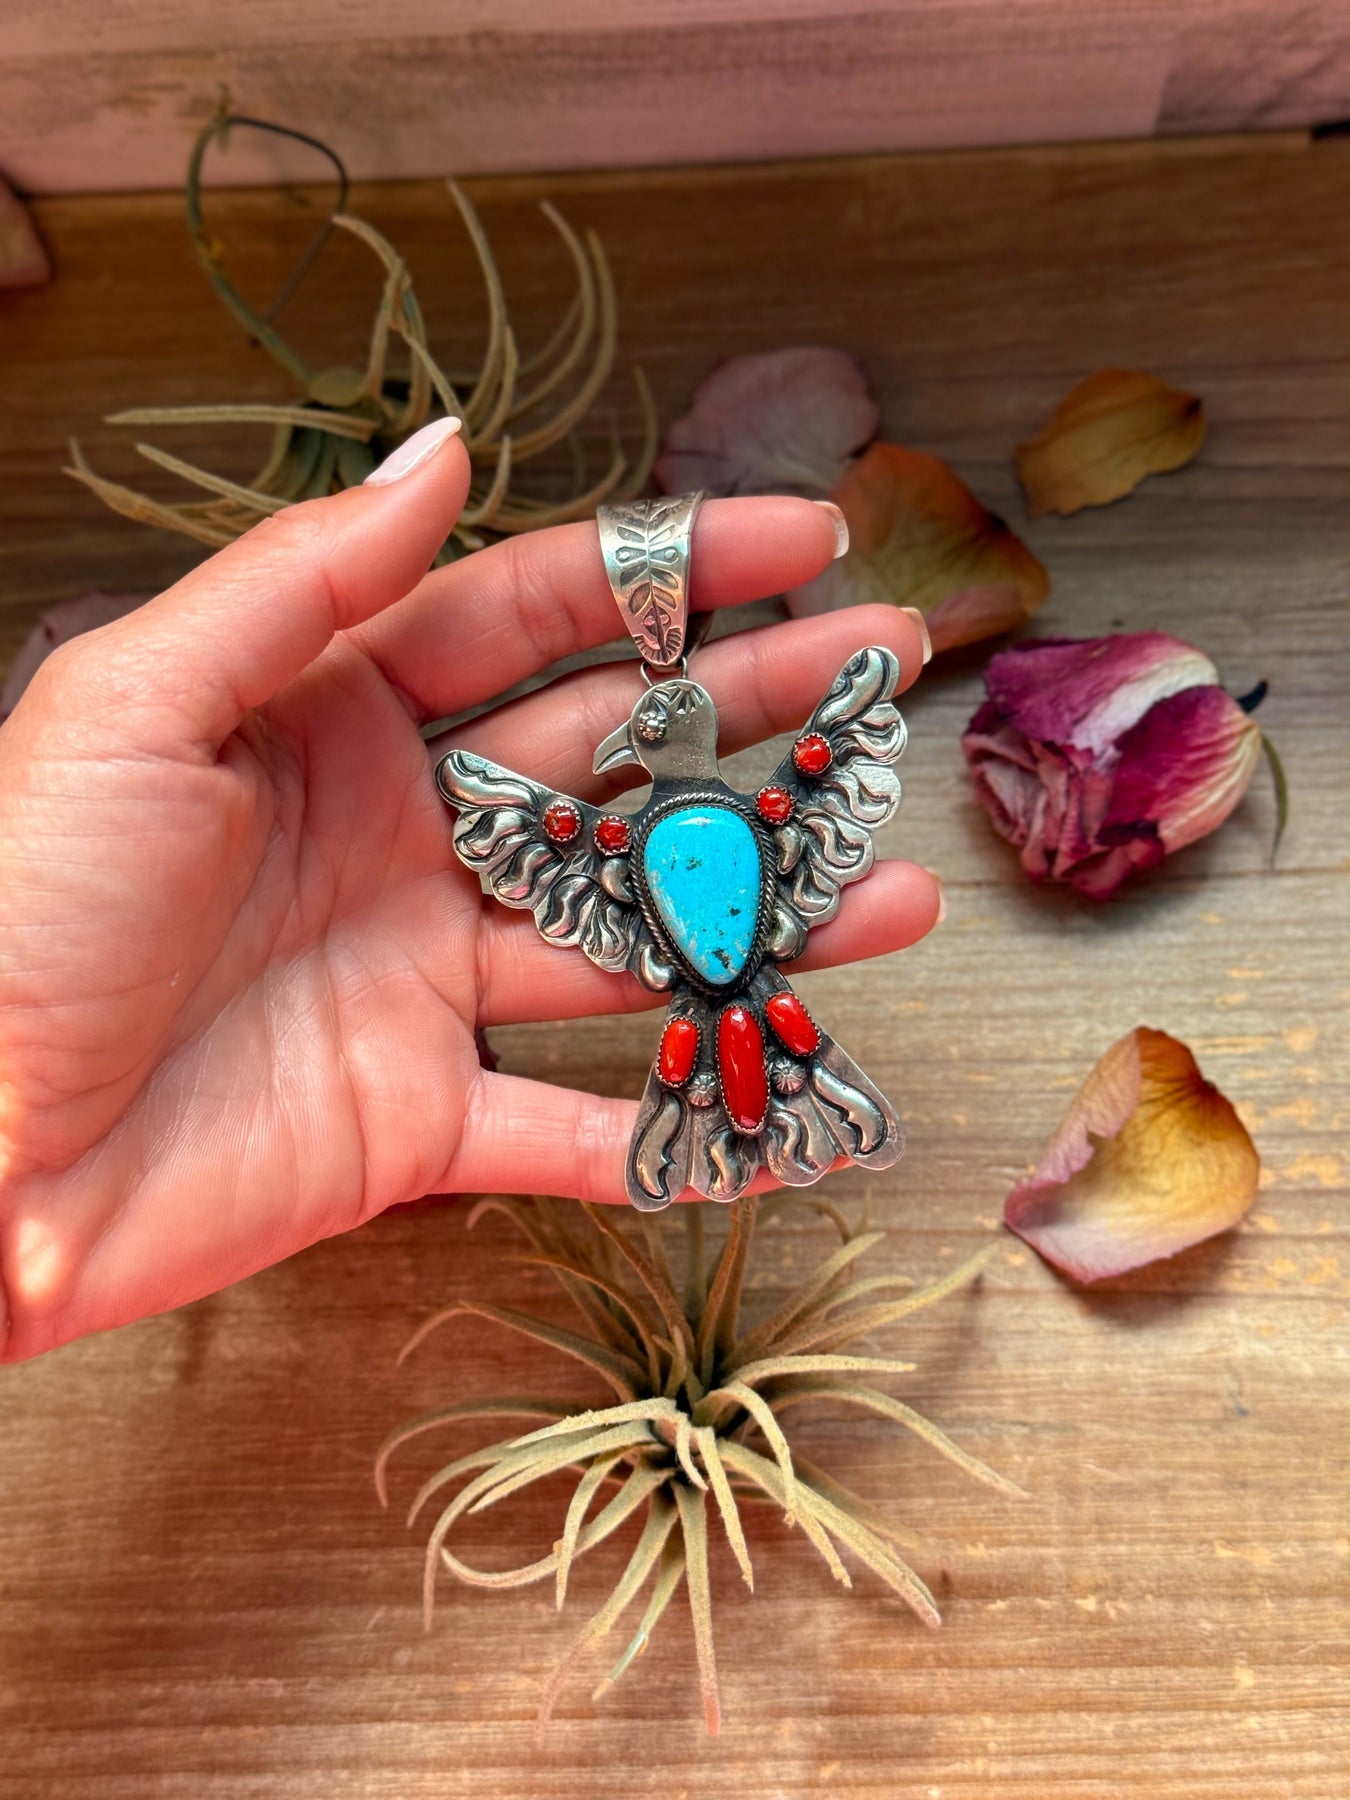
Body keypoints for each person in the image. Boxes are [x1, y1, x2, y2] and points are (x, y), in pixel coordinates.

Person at [0, 418, 940, 1361]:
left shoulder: (621, 844)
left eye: (642, 737)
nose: (627, 744)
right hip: (753, 992)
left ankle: (718, 1124)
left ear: (665, 738)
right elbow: (821, 753)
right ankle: (826, 1107)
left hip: (703, 1006)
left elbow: (536, 827)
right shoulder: (756, 816)